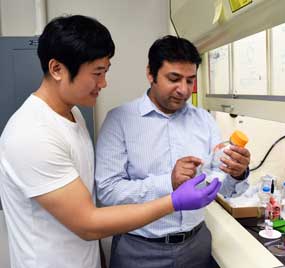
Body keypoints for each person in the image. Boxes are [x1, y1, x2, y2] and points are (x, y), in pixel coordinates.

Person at [0, 16, 221, 268]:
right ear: (57, 69)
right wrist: (173, 199)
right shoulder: (32, 134)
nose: (103, 83)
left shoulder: (72, 116)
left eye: (105, 72)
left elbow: (85, 208)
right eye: (97, 73)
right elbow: (88, 223)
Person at [95, 35, 251, 268]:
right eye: (174, 78)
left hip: (195, 245)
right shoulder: (120, 120)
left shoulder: (204, 120)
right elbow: (107, 192)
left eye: (190, 81)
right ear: (151, 74)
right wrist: (168, 182)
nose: (183, 90)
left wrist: (237, 173)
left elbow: (222, 188)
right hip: (139, 250)